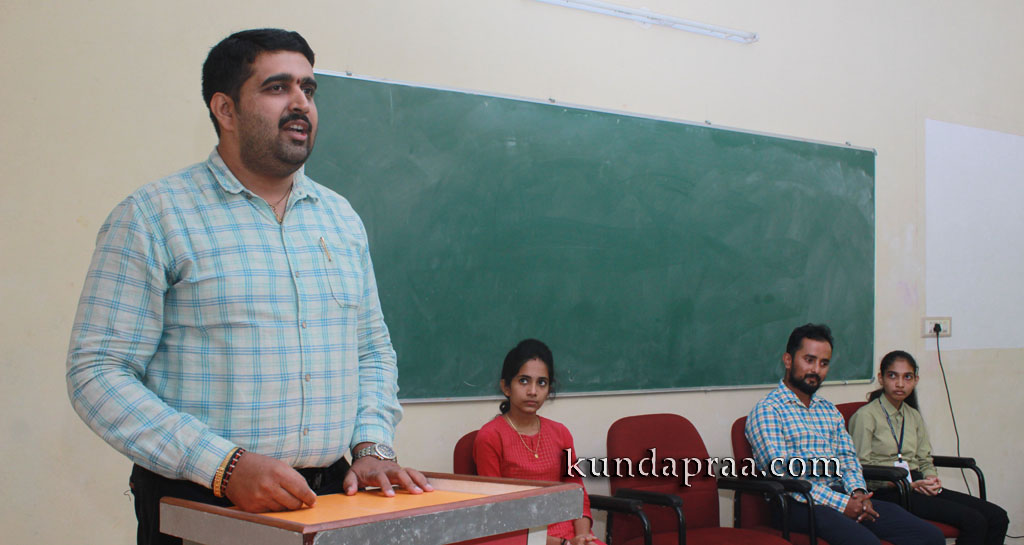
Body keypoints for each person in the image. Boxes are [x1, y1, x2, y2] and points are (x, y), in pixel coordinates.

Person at [65, 28, 431, 545]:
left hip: (330, 497)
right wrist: (224, 465)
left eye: (308, 88)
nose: (301, 103)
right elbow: (97, 373)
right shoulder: (154, 216)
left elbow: (370, 350)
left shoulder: (340, 219)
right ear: (226, 109)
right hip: (203, 498)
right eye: (277, 87)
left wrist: (372, 446)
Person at [745, 324, 944, 545]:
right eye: (809, 360)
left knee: (929, 536)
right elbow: (784, 474)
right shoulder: (768, 410)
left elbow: (848, 459)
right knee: (866, 543)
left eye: (824, 363)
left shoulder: (828, 410)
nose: (816, 370)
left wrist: (858, 492)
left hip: (840, 494)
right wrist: (843, 504)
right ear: (788, 360)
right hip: (796, 502)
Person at [848, 350, 1009, 545]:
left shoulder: (913, 415)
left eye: (907, 377)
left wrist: (931, 479)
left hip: (918, 485)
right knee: (974, 521)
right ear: (881, 378)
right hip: (890, 490)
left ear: (916, 380)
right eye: (893, 376)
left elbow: (924, 459)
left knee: (998, 517)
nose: (900, 384)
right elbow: (859, 469)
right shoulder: (866, 416)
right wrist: (906, 485)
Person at [473, 339, 603, 545]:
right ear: (506, 387)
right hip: (521, 539)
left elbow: (577, 493)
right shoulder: (490, 437)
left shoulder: (560, 433)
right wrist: (563, 544)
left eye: (541, 383)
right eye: (524, 381)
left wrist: (583, 538)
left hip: (570, 536)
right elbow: (497, 514)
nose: (533, 391)